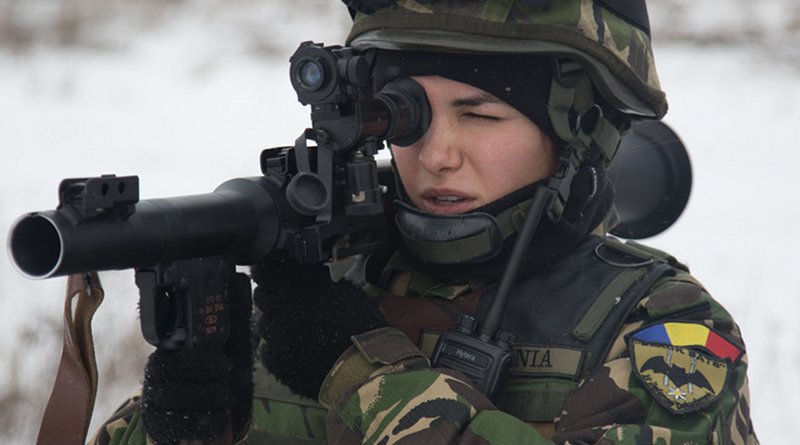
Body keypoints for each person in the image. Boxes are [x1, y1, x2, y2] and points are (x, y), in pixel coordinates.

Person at [91, 1, 759, 444]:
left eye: (481, 115)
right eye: (407, 116)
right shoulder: (320, 291)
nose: (438, 154)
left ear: (577, 130)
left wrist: (360, 370)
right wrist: (177, 417)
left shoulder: (666, 328)